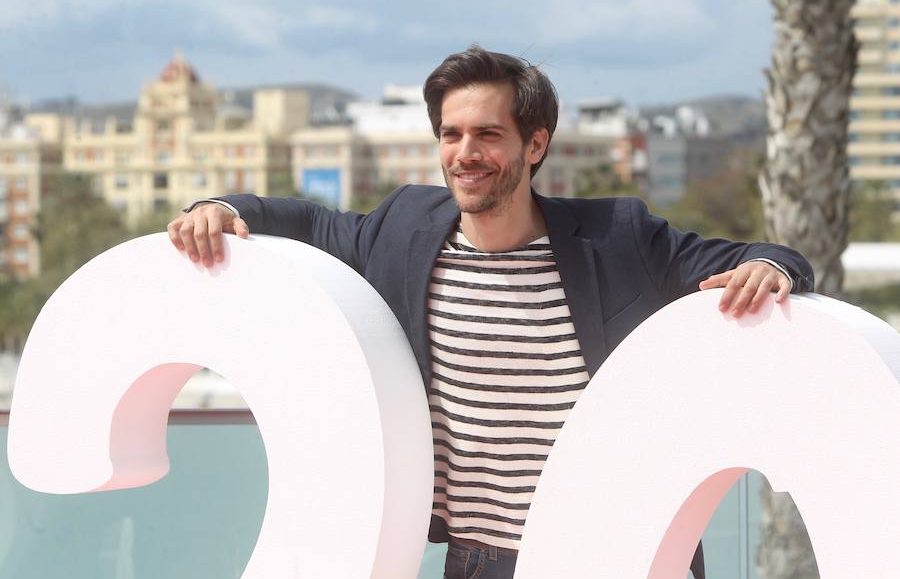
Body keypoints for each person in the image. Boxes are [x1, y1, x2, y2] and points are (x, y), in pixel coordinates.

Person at [168, 46, 813, 579]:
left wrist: (772, 268)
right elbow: (312, 221)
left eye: (487, 135)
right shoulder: (404, 227)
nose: (464, 153)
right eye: (451, 134)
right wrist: (224, 209)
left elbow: (763, 256)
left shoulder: (616, 234)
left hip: (609, 552)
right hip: (475, 561)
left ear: (536, 144)